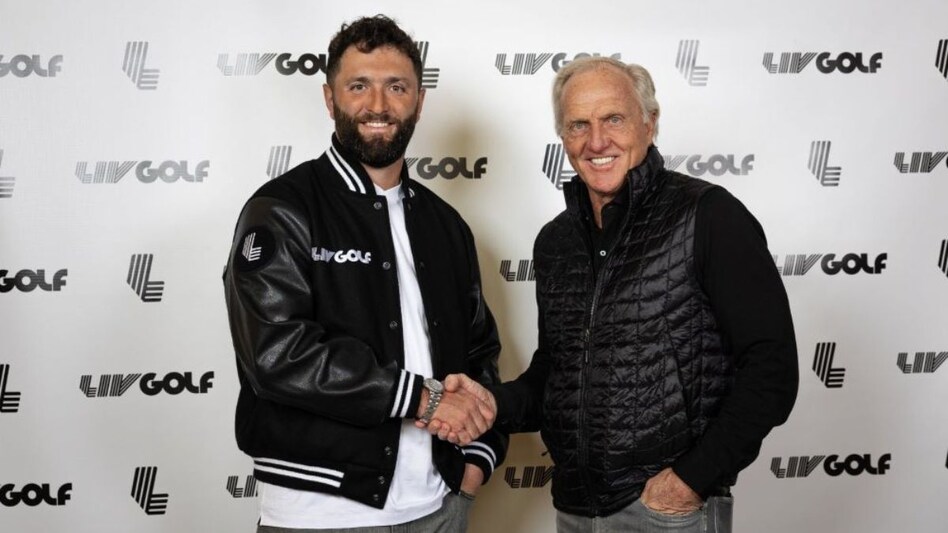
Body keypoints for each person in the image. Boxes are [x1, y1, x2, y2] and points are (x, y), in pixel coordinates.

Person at [430, 56, 799, 532]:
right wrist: (491, 403)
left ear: (650, 122)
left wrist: (691, 479)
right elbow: (558, 374)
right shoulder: (555, 241)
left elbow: (772, 368)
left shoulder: (709, 216)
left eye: (614, 119)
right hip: (576, 511)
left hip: (667, 513)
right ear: (563, 137)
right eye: (578, 124)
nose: (597, 141)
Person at [223, 15, 505, 532]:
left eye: (396, 87)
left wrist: (474, 467)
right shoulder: (282, 208)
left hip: (439, 505)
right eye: (359, 86)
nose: (378, 105)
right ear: (330, 99)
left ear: (419, 101)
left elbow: (480, 352)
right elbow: (276, 353)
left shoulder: (446, 225)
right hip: (319, 515)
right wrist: (423, 397)